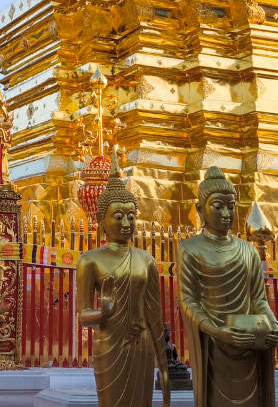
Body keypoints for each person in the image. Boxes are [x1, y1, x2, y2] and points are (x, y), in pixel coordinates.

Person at [178, 165, 278, 407]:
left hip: (250, 342)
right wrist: (217, 331)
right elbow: (188, 300)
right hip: (215, 347)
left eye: (231, 206)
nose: (227, 213)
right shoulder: (190, 249)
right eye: (218, 206)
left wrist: (273, 325)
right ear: (200, 209)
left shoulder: (248, 251)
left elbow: (259, 300)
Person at [75, 166, 166, 407]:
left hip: (141, 342)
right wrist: (103, 313)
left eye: (131, 216)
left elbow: (154, 314)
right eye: (118, 216)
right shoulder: (90, 260)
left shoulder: (146, 260)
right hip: (109, 343)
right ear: (100, 220)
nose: (126, 223)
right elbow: (83, 316)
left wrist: (164, 365)